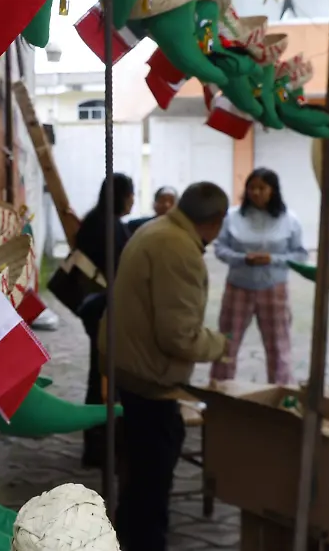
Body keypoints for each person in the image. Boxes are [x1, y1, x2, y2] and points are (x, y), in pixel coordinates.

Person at [100, 182, 231, 551]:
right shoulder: (178, 248)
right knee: (152, 478)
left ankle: (128, 534)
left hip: (131, 364)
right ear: (217, 221)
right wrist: (220, 345)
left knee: (145, 468)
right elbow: (178, 336)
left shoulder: (157, 229)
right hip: (148, 376)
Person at [211, 168, 307, 385]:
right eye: (252, 188)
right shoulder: (232, 217)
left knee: (278, 346)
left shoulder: (289, 219)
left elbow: (300, 255)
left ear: (273, 190)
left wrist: (272, 259)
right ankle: (219, 390)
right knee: (227, 343)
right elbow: (220, 249)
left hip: (274, 288)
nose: (256, 192)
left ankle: (281, 393)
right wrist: (243, 258)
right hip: (238, 287)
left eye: (262, 188)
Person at [75, 173, 134, 469]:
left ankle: (96, 445)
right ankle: (103, 446)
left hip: (91, 307)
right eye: (130, 194)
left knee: (99, 374)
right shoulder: (112, 227)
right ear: (122, 196)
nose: (133, 200)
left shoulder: (92, 221)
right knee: (107, 377)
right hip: (105, 310)